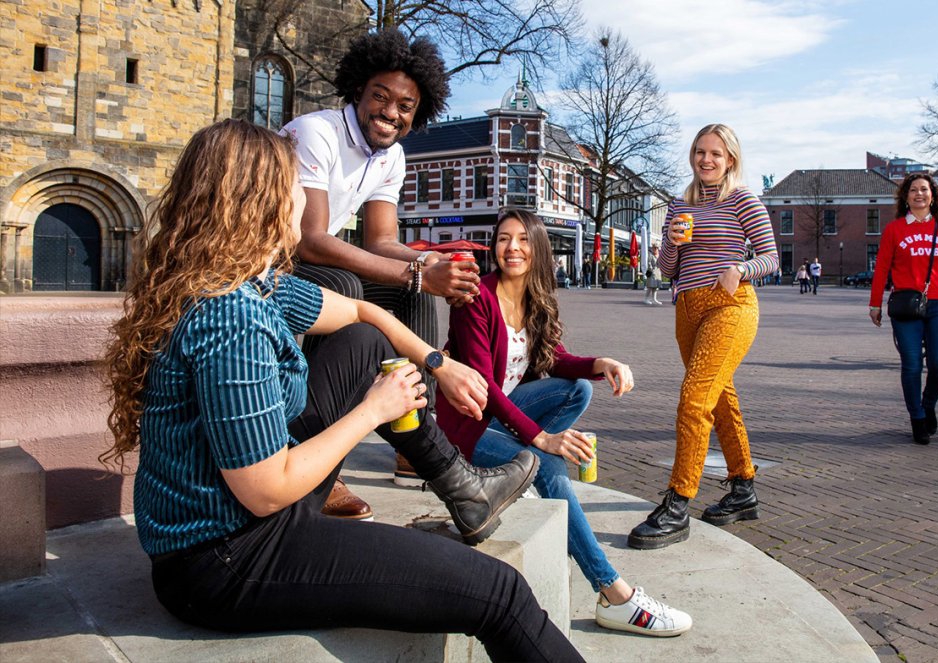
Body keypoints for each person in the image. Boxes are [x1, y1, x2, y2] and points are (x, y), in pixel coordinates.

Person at [100, 120, 580, 662]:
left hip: (243, 521)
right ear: (259, 204)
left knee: (361, 340)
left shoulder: (246, 283)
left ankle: (462, 486)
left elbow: (360, 312)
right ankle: (466, 491)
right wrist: (374, 411)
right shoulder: (230, 316)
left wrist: (437, 364)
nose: (303, 206)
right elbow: (265, 490)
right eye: (292, 191)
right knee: (499, 592)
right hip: (225, 558)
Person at [436, 209, 691, 636]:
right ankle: (613, 593)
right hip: (468, 425)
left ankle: (522, 466)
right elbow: (488, 391)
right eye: (502, 239)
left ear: (537, 247)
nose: (511, 248)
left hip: (503, 416)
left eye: (522, 239)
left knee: (579, 389)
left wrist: (600, 362)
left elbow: (555, 360)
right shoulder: (475, 298)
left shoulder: (536, 298)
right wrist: (543, 439)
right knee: (549, 464)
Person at [280, 30, 482, 517]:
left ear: (419, 112)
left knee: (415, 294)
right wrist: (416, 273)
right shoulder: (317, 133)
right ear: (358, 91)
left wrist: (428, 263)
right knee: (347, 286)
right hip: (277, 263)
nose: (391, 112)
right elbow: (309, 239)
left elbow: (380, 242)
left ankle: (413, 436)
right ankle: (320, 465)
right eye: (380, 97)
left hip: (318, 258)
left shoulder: (392, 155)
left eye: (406, 105)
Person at [627, 124, 779, 550]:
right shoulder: (679, 204)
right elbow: (666, 270)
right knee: (720, 399)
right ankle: (743, 489)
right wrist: (673, 241)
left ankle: (678, 503)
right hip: (688, 309)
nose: (706, 160)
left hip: (731, 306)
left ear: (730, 158)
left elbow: (771, 257)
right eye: (699, 152)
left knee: (694, 399)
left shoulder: (743, 200)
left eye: (715, 153)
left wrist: (741, 269)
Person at [868, 173, 938, 445]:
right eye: (913, 190)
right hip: (906, 306)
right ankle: (917, 418)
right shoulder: (895, 229)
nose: (919, 194)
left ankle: (928, 404)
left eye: (924, 190)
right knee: (912, 365)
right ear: (905, 197)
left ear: (932, 195)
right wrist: (875, 303)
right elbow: (881, 268)